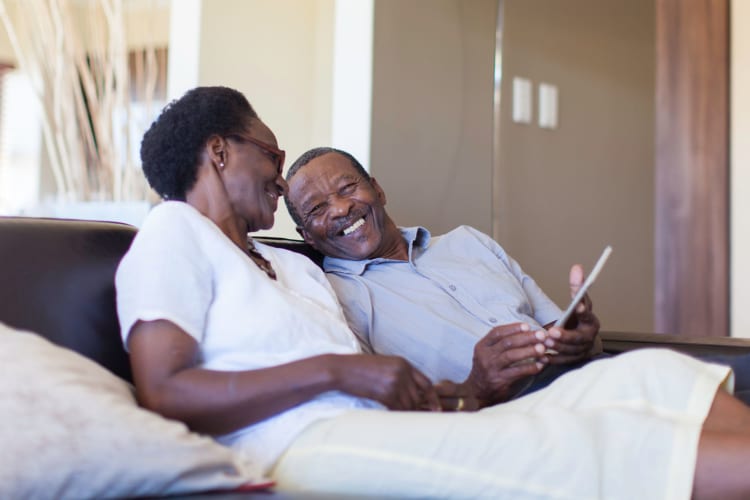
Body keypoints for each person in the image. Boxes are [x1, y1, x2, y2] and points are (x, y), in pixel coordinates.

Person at [117, 86, 750, 499]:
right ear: (220, 152)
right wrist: (338, 370)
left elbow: (392, 386)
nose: (280, 183)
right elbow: (164, 391)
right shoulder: (174, 231)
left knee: (645, 378)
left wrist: (466, 394)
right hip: (298, 449)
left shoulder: (298, 270)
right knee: (574, 445)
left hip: (380, 431)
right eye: (272, 156)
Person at [283, 147, 750, 406]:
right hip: (520, 412)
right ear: (306, 233)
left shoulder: (468, 242)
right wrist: (475, 385)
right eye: (318, 208)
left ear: (377, 189)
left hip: (588, 376)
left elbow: (563, 334)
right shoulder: (333, 299)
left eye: (348, 189)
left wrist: (579, 334)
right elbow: (381, 412)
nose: (341, 209)